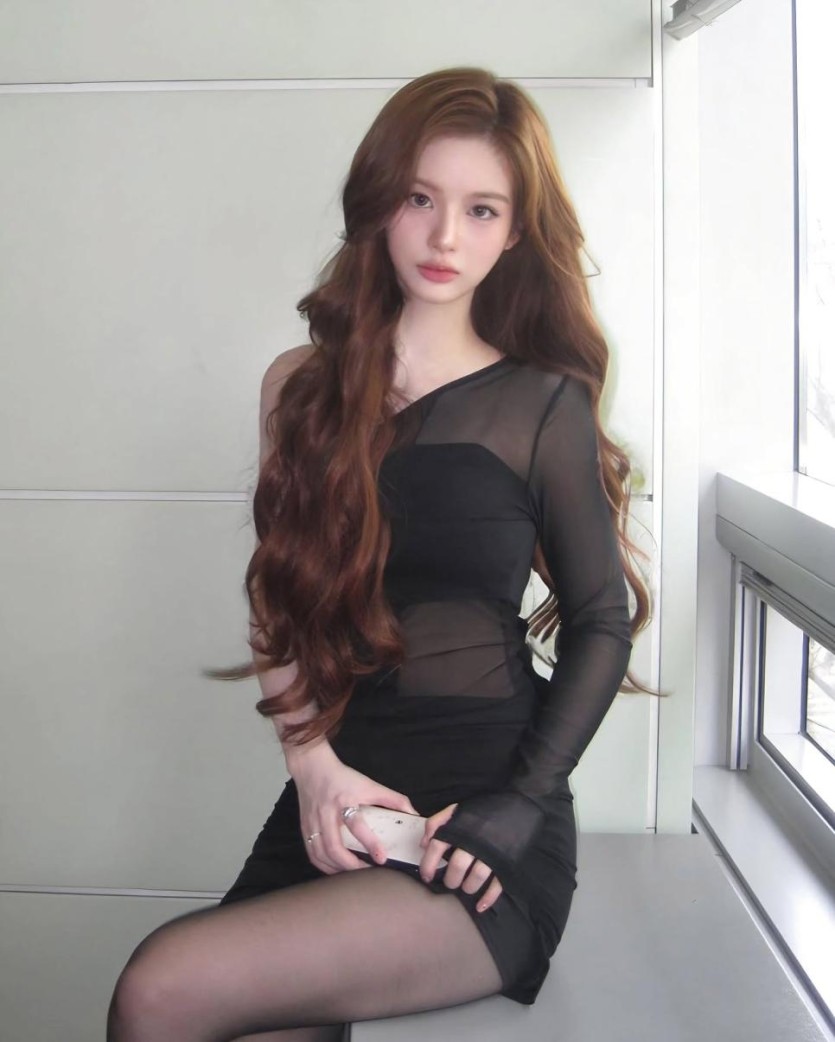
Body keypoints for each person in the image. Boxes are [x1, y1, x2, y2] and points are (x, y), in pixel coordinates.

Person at [107, 65, 650, 1042]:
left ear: (515, 232)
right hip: (341, 797)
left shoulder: (541, 404)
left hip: (483, 822)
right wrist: (312, 766)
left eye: (481, 210)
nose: (445, 238)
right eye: (419, 199)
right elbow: (278, 604)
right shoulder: (297, 388)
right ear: (379, 202)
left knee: (160, 989)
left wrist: (519, 803)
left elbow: (601, 622)